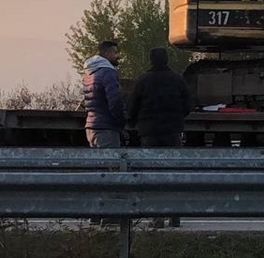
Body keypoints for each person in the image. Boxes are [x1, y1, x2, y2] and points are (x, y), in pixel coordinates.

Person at [129, 47, 192, 228]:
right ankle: (175, 216)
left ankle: (157, 218)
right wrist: (177, 118)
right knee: (173, 173)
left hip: (149, 132)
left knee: (152, 174)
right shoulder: (177, 80)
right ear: (167, 60)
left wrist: (133, 124)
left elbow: (133, 106)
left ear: (151, 60)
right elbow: (188, 105)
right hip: (172, 131)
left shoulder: (143, 81)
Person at [82, 41, 126, 149]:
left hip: (91, 127)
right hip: (106, 127)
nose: (118, 56)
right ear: (107, 54)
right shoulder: (108, 73)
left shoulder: (90, 73)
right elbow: (114, 101)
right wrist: (121, 122)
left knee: (99, 164)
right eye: (115, 52)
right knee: (111, 163)